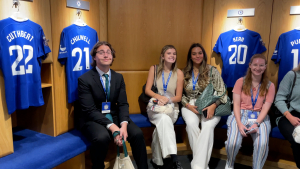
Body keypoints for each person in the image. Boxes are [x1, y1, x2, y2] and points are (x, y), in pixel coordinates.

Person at [78, 41, 148, 169]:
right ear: (94, 57)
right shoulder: (84, 79)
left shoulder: (118, 77)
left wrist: (124, 125)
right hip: (93, 118)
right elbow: (89, 110)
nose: (106, 55)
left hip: (114, 114)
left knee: (137, 133)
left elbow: (122, 104)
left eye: (108, 52)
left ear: (112, 57)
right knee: (101, 137)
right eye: (101, 52)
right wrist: (113, 127)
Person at [181, 43, 228, 169]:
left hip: (211, 104)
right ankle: (202, 165)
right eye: (194, 53)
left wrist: (214, 105)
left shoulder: (212, 70)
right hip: (190, 105)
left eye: (200, 53)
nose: (197, 56)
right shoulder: (184, 72)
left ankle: (197, 166)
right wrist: (187, 105)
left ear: (204, 55)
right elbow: (179, 94)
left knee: (207, 126)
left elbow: (222, 92)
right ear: (190, 56)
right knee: (191, 125)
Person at [225, 54, 275, 169]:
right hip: (240, 114)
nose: (258, 68)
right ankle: (229, 163)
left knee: (261, 144)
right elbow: (236, 105)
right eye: (255, 65)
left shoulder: (270, 85)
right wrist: (239, 123)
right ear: (250, 65)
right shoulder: (240, 82)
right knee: (233, 143)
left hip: (260, 117)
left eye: (261, 65)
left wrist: (256, 123)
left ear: (265, 67)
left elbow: (266, 107)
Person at [145, 45, 184, 169]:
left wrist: (167, 100)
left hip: (172, 107)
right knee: (164, 120)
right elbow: (147, 90)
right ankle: (173, 157)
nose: (172, 55)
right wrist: (159, 97)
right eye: (169, 53)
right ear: (162, 56)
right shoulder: (154, 69)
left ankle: (158, 162)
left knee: (163, 123)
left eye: (174, 53)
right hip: (155, 106)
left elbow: (178, 97)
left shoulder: (179, 73)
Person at [275, 63, 300, 168]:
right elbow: (279, 99)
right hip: (288, 114)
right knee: (298, 139)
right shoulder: (292, 75)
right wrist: (290, 117)